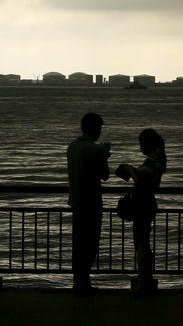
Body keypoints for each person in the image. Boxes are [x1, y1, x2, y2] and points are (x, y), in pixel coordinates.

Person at [116, 128, 166, 295]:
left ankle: (143, 281)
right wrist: (134, 171)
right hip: (147, 204)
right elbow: (146, 180)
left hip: (143, 205)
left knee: (142, 243)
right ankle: (145, 279)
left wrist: (130, 171)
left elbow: (141, 183)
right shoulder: (156, 161)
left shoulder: (152, 161)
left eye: (141, 143)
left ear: (146, 144)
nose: (140, 147)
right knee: (142, 242)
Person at [67, 112, 111, 295]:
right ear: (94, 128)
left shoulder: (72, 147)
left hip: (76, 201)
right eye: (99, 128)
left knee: (78, 244)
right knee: (90, 244)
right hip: (91, 203)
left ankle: (78, 283)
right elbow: (105, 175)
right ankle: (84, 284)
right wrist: (104, 154)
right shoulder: (94, 149)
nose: (100, 132)